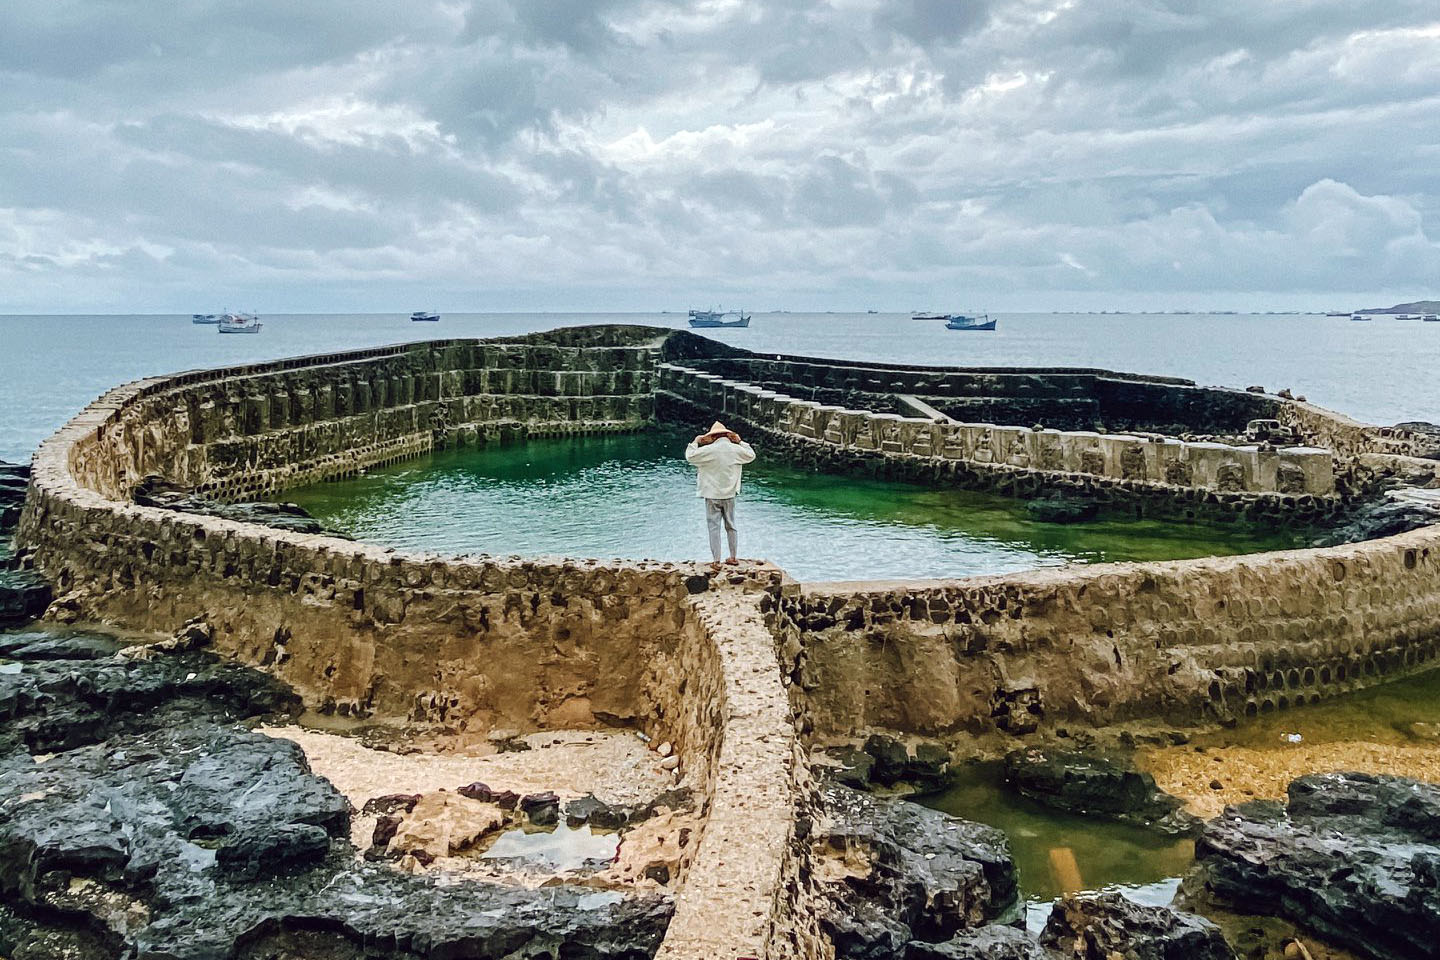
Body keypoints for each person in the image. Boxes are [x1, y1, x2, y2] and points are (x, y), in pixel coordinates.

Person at [684, 421, 756, 569]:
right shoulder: (735, 450)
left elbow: (690, 456)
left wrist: (696, 441)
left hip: (712, 494)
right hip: (729, 493)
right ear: (727, 435)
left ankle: (716, 560)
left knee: (713, 527)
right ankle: (733, 556)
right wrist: (741, 441)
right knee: (731, 525)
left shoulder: (709, 450)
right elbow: (751, 455)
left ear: (713, 437)